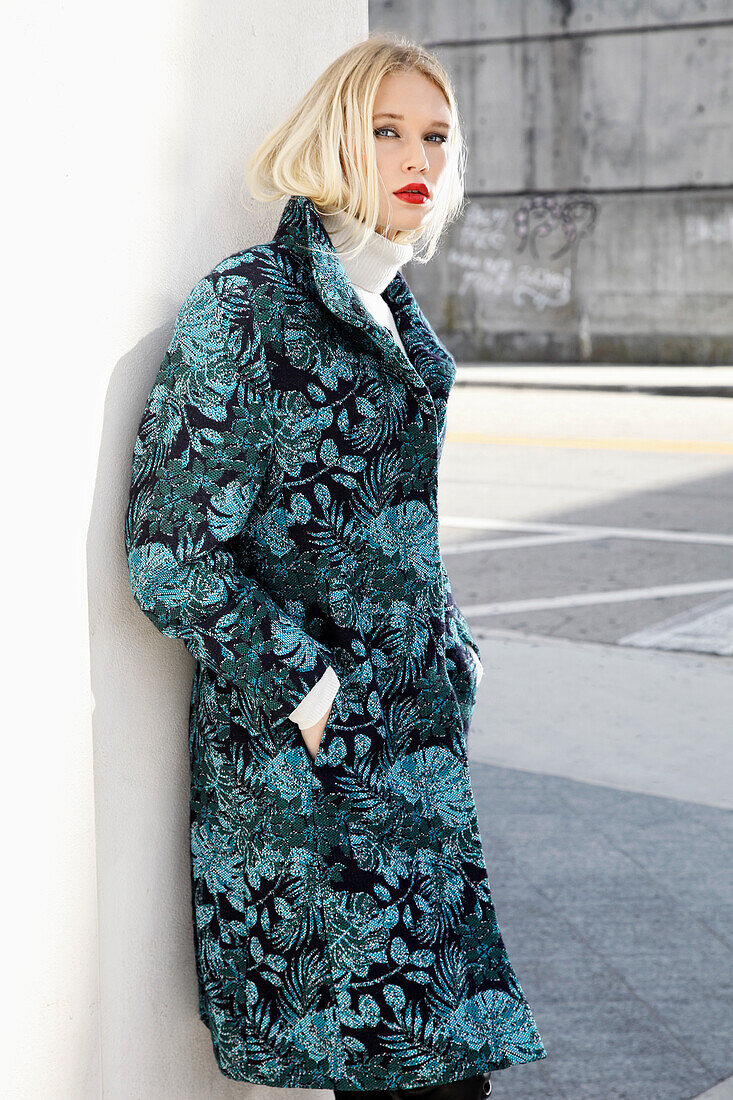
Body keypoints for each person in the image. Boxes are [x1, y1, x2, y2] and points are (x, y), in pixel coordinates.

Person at [124, 31, 546, 1098]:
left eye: (437, 135)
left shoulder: (401, 324)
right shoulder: (252, 303)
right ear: (333, 140)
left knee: (443, 1062)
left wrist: (454, 648)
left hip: (416, 759)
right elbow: (171, 550)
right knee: (408, 1069)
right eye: (388, 128)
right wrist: (309, 689)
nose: (419, 154)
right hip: (312, 776)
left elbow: (391, 531)